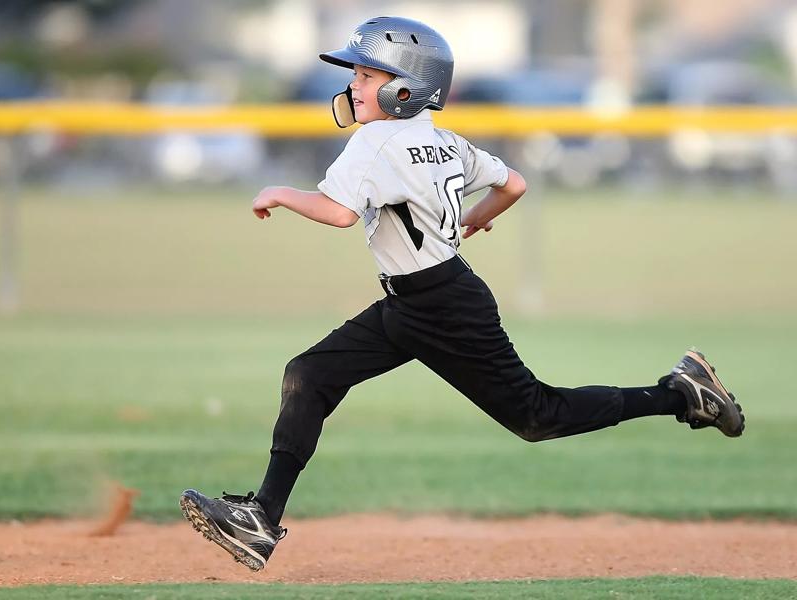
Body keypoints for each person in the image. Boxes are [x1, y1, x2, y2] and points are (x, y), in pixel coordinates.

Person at [180, 16, 745, 572]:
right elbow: (514, 184)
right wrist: (472, 219)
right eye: (356, 73)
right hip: (421, 300)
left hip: (443, 309)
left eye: (367, 75)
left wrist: (280, 191)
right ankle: (260, 517)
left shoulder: (375, 141)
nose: (354, 83)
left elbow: (339, 214)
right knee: (310, 374)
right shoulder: (441, 139)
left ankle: (680, 393)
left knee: (537, 416)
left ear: (407, 87)